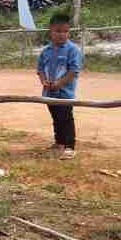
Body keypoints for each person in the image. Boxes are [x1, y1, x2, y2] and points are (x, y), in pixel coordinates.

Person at [37, 12, 82, 160]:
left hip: (64, 94)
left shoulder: (73, 50)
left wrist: (58, 84)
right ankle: (59, 143)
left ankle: (70, 146)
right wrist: (44, 82)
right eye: (58, 31)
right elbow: (40, 70)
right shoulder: (46, 52)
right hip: (49, 94)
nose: (62, 35)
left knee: (66, 118)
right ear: (50, 31)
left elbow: (73, 72)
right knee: (56, 118)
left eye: (65, 31)